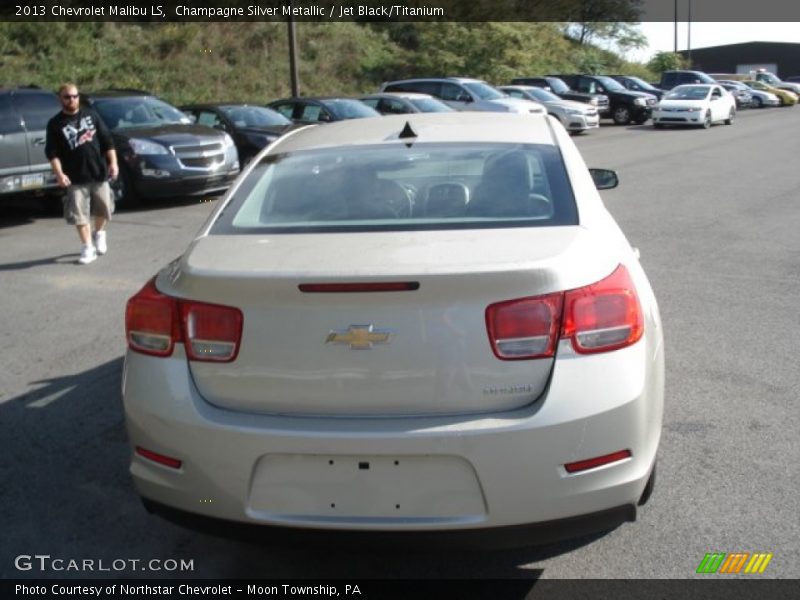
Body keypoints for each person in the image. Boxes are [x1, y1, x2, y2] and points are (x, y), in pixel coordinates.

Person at [45, 83, 118, 265]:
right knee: (80, 214)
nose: (72, 100)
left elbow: (107, 141)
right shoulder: (55, 124)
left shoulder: (91, 115)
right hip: (75, 177)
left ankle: (99, 233)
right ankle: (87, 247)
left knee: (105, 208)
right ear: (60, 99)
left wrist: (113, 163)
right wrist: (60, 174)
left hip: (98, 172)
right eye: (67, 97)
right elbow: (52, 153)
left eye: (75, 96)